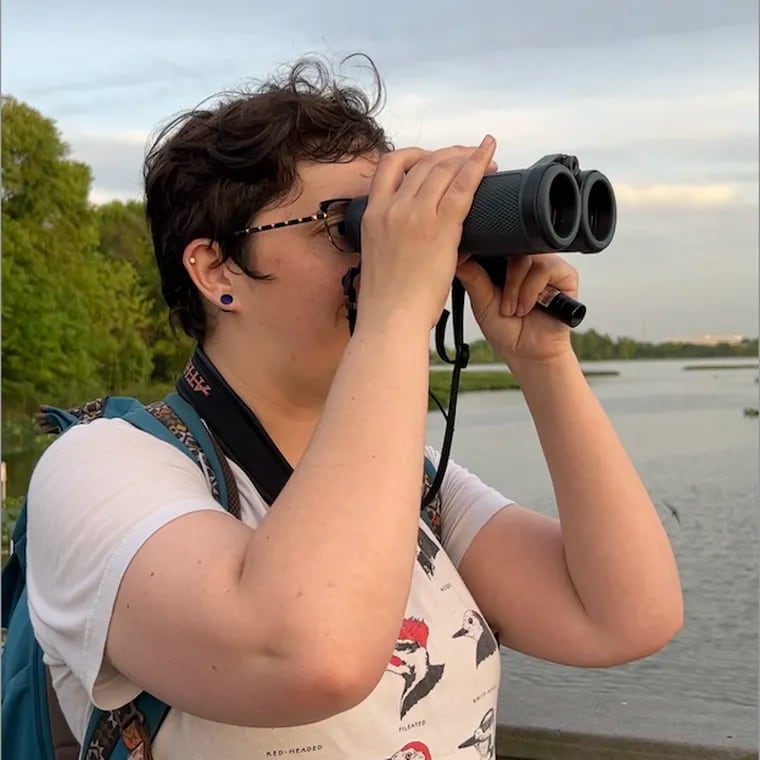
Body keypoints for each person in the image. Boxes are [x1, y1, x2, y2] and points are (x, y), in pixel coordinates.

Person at [25, 56, 683, 760]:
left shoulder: (415, 486)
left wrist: (543, 362)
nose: (390, 253)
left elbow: (623, 616)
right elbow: (311, 654)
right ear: (218, 270)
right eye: (351, 226)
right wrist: (397, 309)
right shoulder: (99, 468)